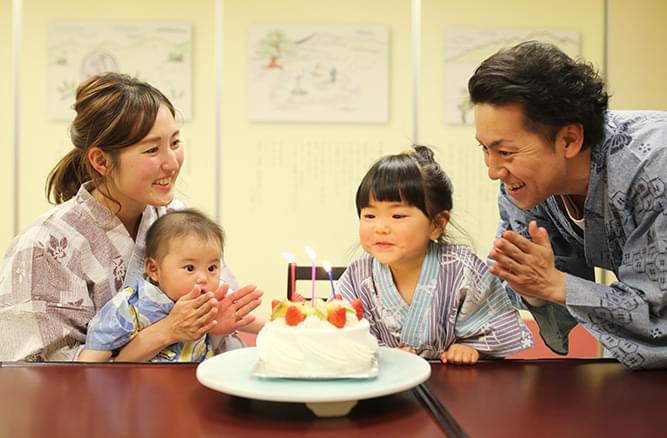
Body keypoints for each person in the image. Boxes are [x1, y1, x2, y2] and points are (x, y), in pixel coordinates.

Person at [0, 72, 262, 361]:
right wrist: (167, 330)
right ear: (101, 161)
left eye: (175, 143)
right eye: (152, 149)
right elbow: (42, 373)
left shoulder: (176, 220)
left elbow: (222, 316)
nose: (172, 163)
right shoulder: (46, 245)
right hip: (92, 405)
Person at [468, 40, 667, 369]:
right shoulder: (524, 186)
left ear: (570, 139)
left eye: (505, 152)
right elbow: (548, 290)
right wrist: (533, 286)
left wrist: (554, 284)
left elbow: (657, 312)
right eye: (485, 150)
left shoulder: (653, 167)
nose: (492, 171)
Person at [337, 146, 533, 365]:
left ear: (437, 224)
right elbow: (345, 336)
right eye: (370, 215)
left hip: (453, 383)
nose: (380, 227)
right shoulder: (358, 275)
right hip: (382, 383)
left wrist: (469, 348)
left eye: (398, 215)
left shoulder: (463, 269)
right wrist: (384, 354)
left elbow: (495, 329)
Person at [80, 209, 237, 362]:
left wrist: (260, 327)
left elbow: (244, 317)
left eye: (212, 268)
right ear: (154, 269)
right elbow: (89, 362)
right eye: (190, 268)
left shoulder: (213, 295)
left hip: (198, 381)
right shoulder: (132, 305)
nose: (203, 278)